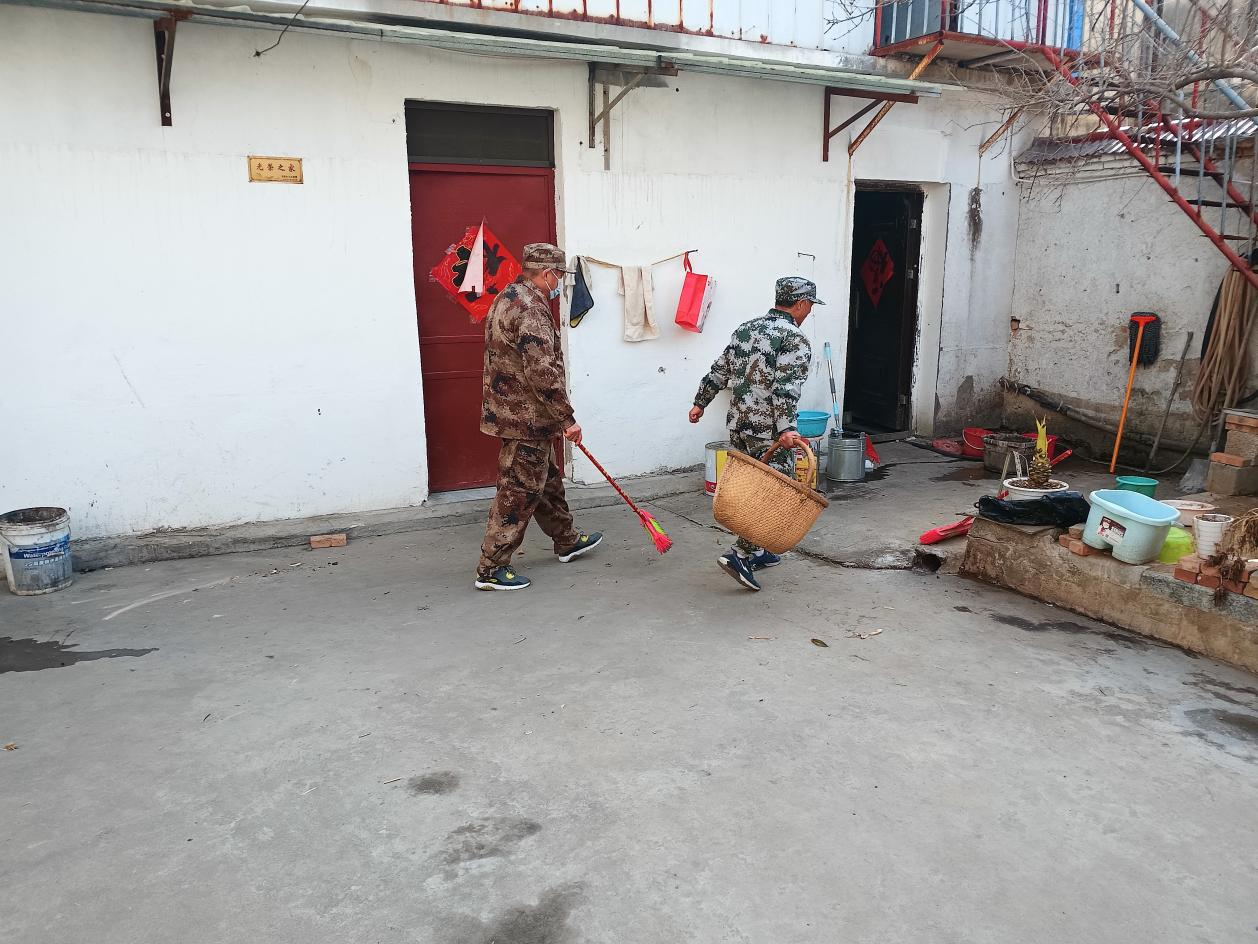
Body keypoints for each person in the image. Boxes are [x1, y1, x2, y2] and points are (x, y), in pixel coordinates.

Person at [474, 243, 602, 591]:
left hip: (517, 413)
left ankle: (566, 539)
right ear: (547, 274)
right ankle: (491, 568)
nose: (559, 282)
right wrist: (567, 418)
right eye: (559, 275)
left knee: (545, 480)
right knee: (518, 490)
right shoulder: (531, 308)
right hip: (525, 418)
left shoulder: (508, 296)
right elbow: (541, 369)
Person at [689, 276, 822, 592]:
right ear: (801, 303)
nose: (809, 312)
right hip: (771, 432)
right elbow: (785, 390)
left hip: (738, 425)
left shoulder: (746, 328)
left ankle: (759, 550)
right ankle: (740, 554)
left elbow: (719, 370)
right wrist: (787, 428)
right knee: (772, 495)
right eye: (810, 306)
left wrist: (700, 402)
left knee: (752, 489)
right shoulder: (795, 339)